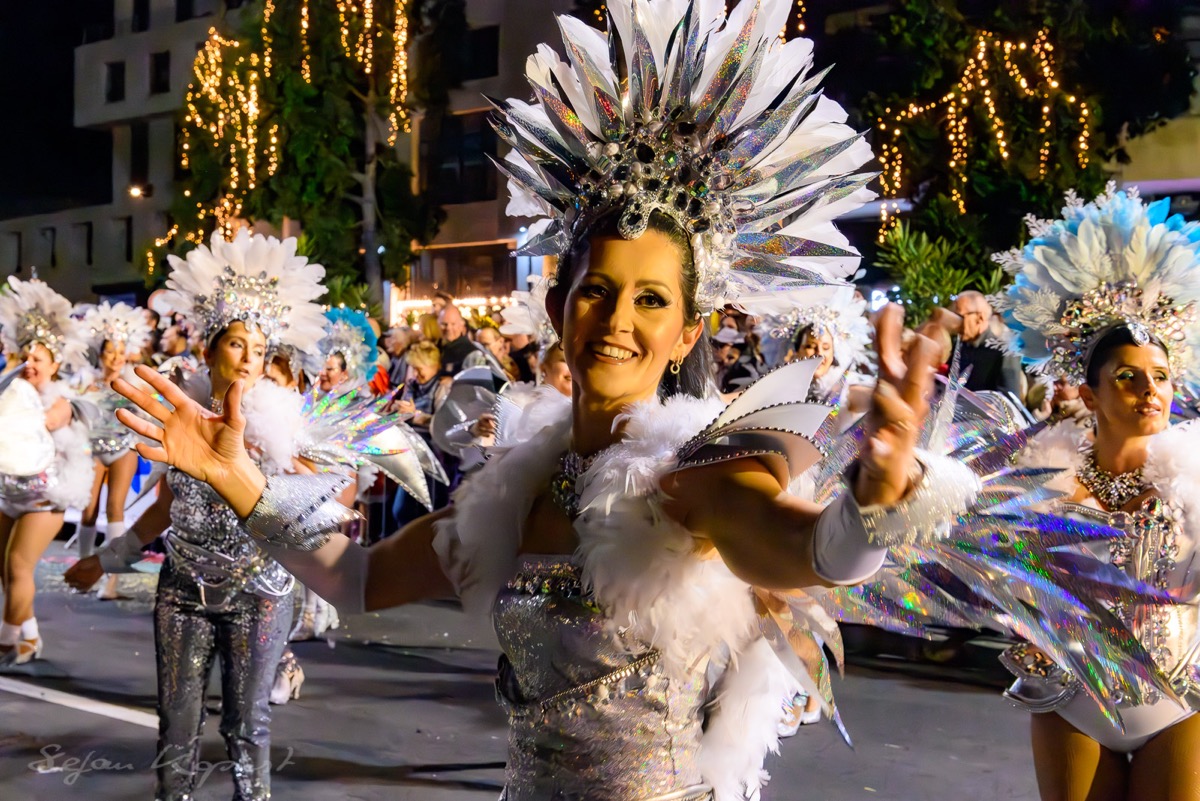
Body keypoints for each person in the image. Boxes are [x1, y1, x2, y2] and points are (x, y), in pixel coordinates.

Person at [106, 2, 953, 797]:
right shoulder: (516, 490)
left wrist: (873, 503)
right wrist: (234, 480)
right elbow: (357, 578)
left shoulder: (696, 478)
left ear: (689, 334)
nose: (618, 321)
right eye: (597, 291)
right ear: (559, 305)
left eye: (653, 300)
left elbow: (803, 551)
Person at [64, 230, 330, 801]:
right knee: (176, 724)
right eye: (237, 344)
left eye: (260, 350)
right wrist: (104, 561)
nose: (249, 359)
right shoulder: (183, 422)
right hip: (183, 587)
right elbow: (163, 509)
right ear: (209, 350)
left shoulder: (285, 430)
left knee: (247, 726)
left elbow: (315, 516)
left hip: (260, 592)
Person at [995, 187, 1200, 801]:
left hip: (1179, 700)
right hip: (1069, 699)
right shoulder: (1037, 477)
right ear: (1088, 395)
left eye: (1161, 376)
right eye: (1127, 377)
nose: (1150, 390)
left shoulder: (1197, 478)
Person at [0, 278, 95, 665]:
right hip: (7, 492)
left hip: (45, 497)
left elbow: (39, 423)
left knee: (20, 565)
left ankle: (6, 642)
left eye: (39, 359)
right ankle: (29, 637)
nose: (30, 364)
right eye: (25, 356)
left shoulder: (61, 402)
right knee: (5, 567)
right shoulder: (10, 392)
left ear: (55, 365)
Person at [74, 302, 155, 567]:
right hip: (93, 451)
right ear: (100, 353)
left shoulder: (134, 382)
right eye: (111, 352)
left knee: (115, 508)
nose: (116, 357)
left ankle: (114, 572)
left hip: (123, 448)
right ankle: (84, 563)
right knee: (88, 511)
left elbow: (153, 407)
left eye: (121, 352)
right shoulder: (85, 382)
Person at [932, 290, 1025, 398]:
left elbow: (1008, 403)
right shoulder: (960, 346)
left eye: (959, 317)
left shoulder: (1003, 352)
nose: (955, 322)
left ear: (980, 318)